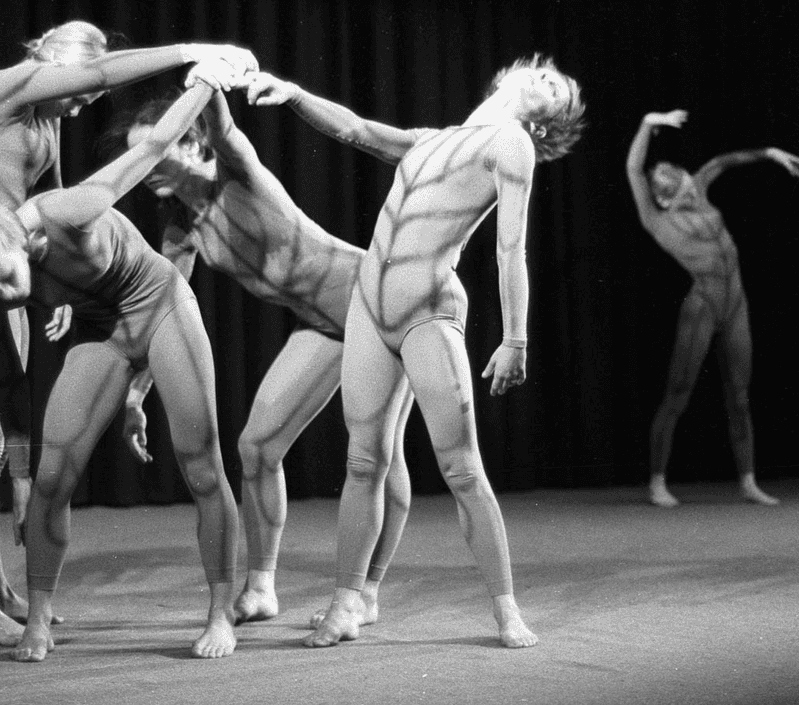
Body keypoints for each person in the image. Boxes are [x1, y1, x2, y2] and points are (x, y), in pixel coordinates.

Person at [0, 19, 256, 646]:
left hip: (124, 293)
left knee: (200, 460)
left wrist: (57, 291)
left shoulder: (49, 147)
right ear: (56, 69)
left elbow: (139, 156)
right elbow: (9, 375)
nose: (82, 105)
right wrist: (196, 55)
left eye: (85, 100)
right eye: (76, 90)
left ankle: (214, 611)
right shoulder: (2, 88)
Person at [245, 55, 586, 648]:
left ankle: (506, 611)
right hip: (369, 306)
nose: (540, 74)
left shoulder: (512, 144)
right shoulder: (434, 140)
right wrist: (294, 92)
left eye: (553, 85)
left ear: (543, 123)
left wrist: (515, 338)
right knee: (363, 461)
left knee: (461, 466)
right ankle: (348, 602)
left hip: (428, 309)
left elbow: (512, 250)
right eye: (540, 70)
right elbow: (354, 128)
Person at [103, 90, 417, 626]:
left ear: (192, 141)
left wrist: (207, 82)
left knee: (379, 455)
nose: (146, 166)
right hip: (322, 323)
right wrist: (135, 395)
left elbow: (224, 128)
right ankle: (261, 587)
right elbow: (164, 316)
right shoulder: (182, 228)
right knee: (256, 447)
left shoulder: (237, 174)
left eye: (157, 150)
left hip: (376, 303)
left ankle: (366, 593)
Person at [624, 110, 799, 508]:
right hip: (703, 304)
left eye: (693, 186)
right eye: (686, 193)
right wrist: (647, 123)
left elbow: (723, 162)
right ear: (664, 199)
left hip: (736, 302)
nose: (694, 193)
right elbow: (634, 169)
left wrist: (770, 152)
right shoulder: (656, 218)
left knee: (740, 396)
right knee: (678, 394)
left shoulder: (699, 186)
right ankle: (657, 482)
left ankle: (748, 481)